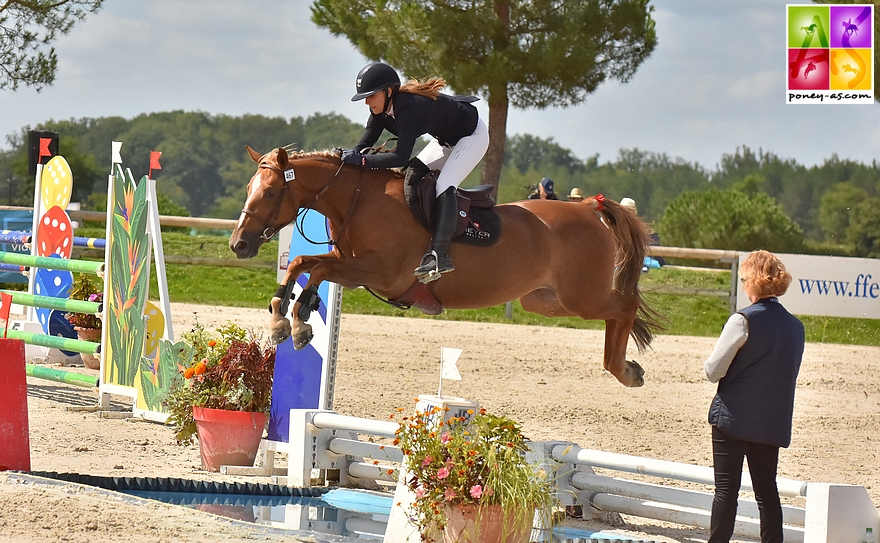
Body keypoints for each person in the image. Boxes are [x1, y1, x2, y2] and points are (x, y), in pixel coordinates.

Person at [341, 61, 489, 282]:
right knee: (411, 175)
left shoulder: (408, 108)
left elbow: (400, 156)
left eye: (371, 95)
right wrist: (343, 156)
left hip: (472, 137)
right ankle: (419, 237)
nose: (367, 101)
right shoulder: (380, 112)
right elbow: (362, 146)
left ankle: (440, 254)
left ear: (388, 91)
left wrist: (361, 161)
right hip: (445, 141)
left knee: (443, 184)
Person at [703, 250, 804, 543]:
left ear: (753, 283)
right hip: (771, 421)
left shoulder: (742, 320)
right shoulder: (796, 328)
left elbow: (713, 371)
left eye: (745, 279)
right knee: (766, 492)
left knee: (726, 490)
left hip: (733, 418)